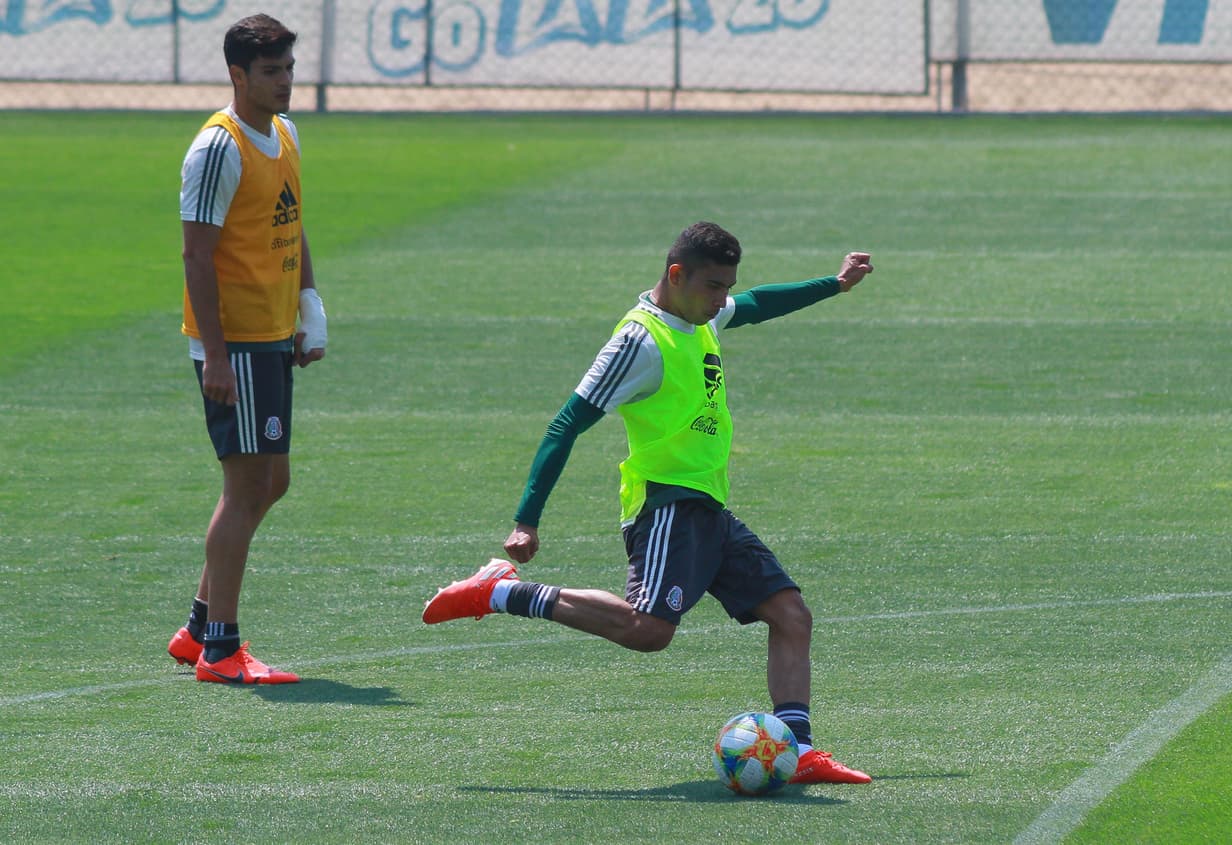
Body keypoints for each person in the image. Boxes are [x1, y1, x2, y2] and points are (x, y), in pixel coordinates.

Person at [423, 222, 875, 784]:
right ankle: (502, 590)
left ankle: (799, 750)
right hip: (665, 506)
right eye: (712, 286)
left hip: (708, 507)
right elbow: (566, 424)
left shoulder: (700, 316)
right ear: (676, 275)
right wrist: (526, 519)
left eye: (725, 286)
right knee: (648, 630)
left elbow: (755, 305)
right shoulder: (639, 342)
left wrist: (833, 285)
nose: (721, 299)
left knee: (790, 615)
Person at [166, 14, 327, 684]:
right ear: (239, 75)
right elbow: (196, 257)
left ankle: (200, 626)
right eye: (272, 71)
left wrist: (309, 303)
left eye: (290, 68)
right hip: (236, 342)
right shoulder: (217, 149)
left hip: (271, 334)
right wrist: (218, 356)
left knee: (271, 478)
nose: (287, 81)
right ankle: (222, 648)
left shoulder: (284, 133)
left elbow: (289, 221)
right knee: (247, 483)